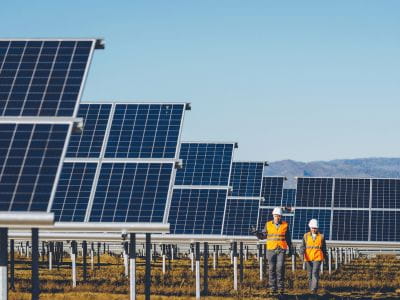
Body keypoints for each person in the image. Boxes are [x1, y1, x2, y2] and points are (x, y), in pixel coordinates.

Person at [263, 207, 293, 294]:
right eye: (276, 216)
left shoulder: (285, 225)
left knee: (280, 268)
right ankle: (273, 288)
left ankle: (281, 288)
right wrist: (257, 234)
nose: (277, 217)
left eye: (279, 216)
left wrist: (290, 249)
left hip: (281, 249)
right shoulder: (268, 224)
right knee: (271, 268)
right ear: (273, 215)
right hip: (271, 249)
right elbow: (263, 235)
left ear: (281, 216)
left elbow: (288, 238)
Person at [300, 218, 328, 293]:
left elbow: (324, 249)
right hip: (308, 257)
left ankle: (314, 289)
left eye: (315, 228)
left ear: (317, 228)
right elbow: (302, 246)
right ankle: (311, 289)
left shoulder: (321, 236)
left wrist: (326, 259)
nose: (313, 229)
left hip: (317, 257)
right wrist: (301, 255)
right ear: (310, 227)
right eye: (312, 228)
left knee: (315, 272)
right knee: (309, 274)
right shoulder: (305, 236)